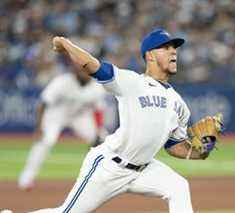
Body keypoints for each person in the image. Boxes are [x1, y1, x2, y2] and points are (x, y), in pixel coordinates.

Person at [30, 28, 216, 213]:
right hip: (109, 166)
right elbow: (92, 65)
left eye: (174, 48)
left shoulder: (179, 104)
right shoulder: (131, 82)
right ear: (150, 56)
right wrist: (65, 44)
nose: (173, 51)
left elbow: (174, 146)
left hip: (144, 169)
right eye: (166, 48)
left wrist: (201, 152)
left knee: (178, 186)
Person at [18, 67, 108, 191]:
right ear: (75, 71)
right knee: (46, 140)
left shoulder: (97, 87)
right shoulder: (62, 82)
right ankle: (26, 178)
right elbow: (43, 103)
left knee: (103, 138)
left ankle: (100, 177)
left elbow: (98, 110)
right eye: (81, 70)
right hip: (56, 115)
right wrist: (39, 127)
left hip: (79, 116)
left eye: (86, 71)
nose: (84, 73)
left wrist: (98, 130)